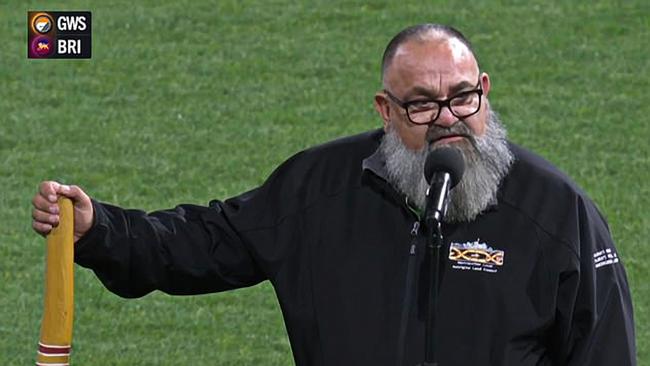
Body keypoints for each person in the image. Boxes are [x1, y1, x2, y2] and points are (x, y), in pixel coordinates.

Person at [31, 24, 636, 365]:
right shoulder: (321, 190)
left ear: (484, 90)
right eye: (423, 103)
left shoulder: (555, 211)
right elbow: (208, 240)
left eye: (462, 96)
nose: (448, 118)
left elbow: (603, 351)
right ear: (386, 110)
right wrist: (99, 230)